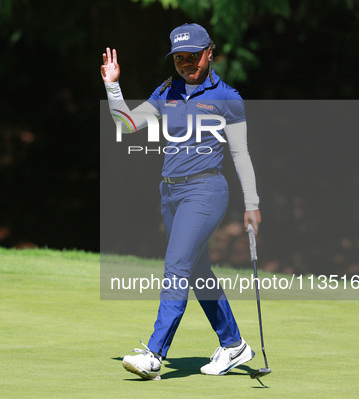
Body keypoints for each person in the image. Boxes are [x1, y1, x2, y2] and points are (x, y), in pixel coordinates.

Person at [100, 23, 262, 380]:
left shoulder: (228, 98)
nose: (187, 64)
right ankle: (233, 344)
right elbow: (127, 124)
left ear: (210, 53)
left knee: (176, 267)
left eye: (193, 56)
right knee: (197, 271)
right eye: (179, 58)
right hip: (170, 193)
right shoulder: (166, 91)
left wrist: (251, 203)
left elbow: (240, 153)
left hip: (206, 191)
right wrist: (113, 85)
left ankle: (155, 354)